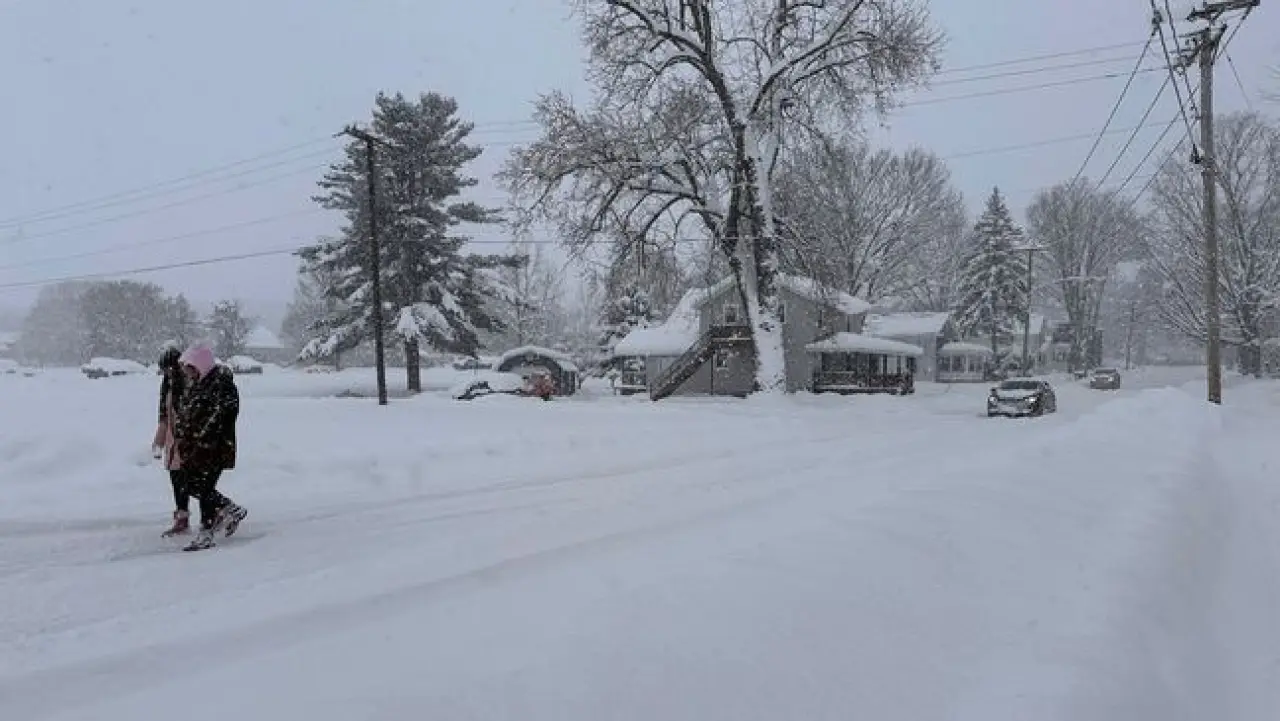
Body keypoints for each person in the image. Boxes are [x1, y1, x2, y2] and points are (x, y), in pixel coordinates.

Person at [173, 344, 248, 551]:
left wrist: (204, 437)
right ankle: (231, 509)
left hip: (214, 447)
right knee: (192, 486)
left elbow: (223, 415)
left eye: (190, 367)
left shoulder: (222, 384)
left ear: (201, 364)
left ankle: (207, 532)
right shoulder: (199, 383)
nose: (188, 373)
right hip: (196, 447)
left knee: (204, 490)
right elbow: (188, 413)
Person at [152, 346, 192, 537]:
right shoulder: (167, 385)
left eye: (168, 368)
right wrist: (158, 442)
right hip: (172, 442)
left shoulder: (187, 383)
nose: (166, 373)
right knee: (178, 481)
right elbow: (164, 417)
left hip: (186, 441)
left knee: (192, 482)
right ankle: (182, 517)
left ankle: (216, 511)